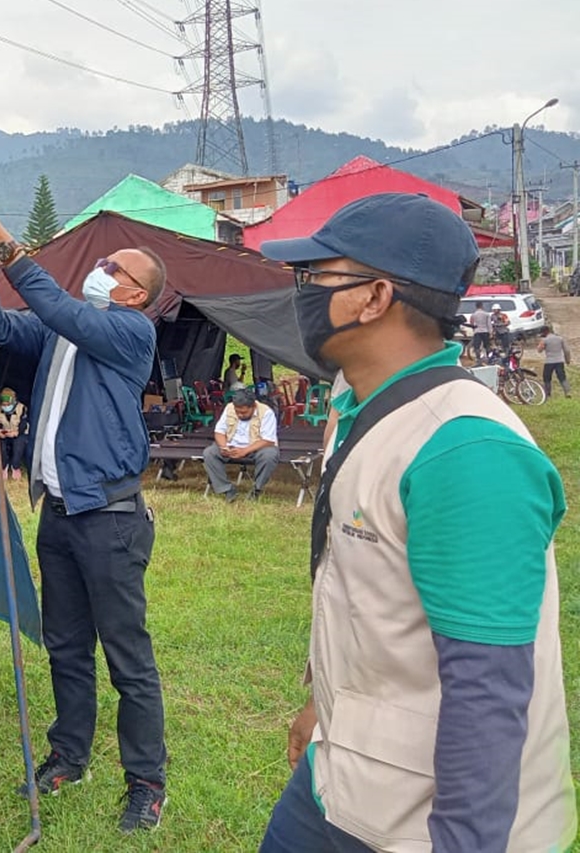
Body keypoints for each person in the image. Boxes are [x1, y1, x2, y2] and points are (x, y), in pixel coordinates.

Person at [257, 192, 574, 852]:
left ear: (373, 296)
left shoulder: (465, 451)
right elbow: (369, 599)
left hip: (417, 824)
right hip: (341, 773)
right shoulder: (365, 405)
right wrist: (327, 707)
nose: (303, 290)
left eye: (318, 274)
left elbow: (487, 697)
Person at [0, 203, 169, 833]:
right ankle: (69, 756)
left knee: (128, 656)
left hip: (111, 518)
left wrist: (10, 245)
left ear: (134, 291)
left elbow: (58, 308)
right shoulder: (64, 333)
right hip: (61, 515)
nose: (97, 270)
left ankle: (147, 783)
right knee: (66, 645)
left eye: (110, 266)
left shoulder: (130, 333)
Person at [202, 387, 279, 502]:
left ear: (253, 406)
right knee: (209, 453)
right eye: (237, 412)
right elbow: (219, 432)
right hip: (232, 446)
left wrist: (245, 451)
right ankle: (227, 489)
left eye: (243, 412)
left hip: (256, 448)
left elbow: (268, 440)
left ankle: (256, 490)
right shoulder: (229, 408)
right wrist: (224, 447)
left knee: (270, 455)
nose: (239, 415)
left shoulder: (266, 412)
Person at [0, 387, 30, 480]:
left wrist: (17, 432)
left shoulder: (22, 408)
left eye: (8, 404)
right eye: (4, 404)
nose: (6, 406)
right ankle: (4, 466)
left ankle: (15, 467)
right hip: (4, 433)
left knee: (19, 445)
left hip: (18, 433)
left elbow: (23, 423)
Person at [536, 325, 572, 398]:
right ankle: (567, 392)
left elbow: (539, 350)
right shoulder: (560, 338)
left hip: (549, 362)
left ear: (545, 332)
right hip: (559, 361)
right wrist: (567, 360)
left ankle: (548, 394)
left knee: (547, 378)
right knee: (562, 377)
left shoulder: (545, 340)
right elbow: (567, 350)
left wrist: (541, 343)